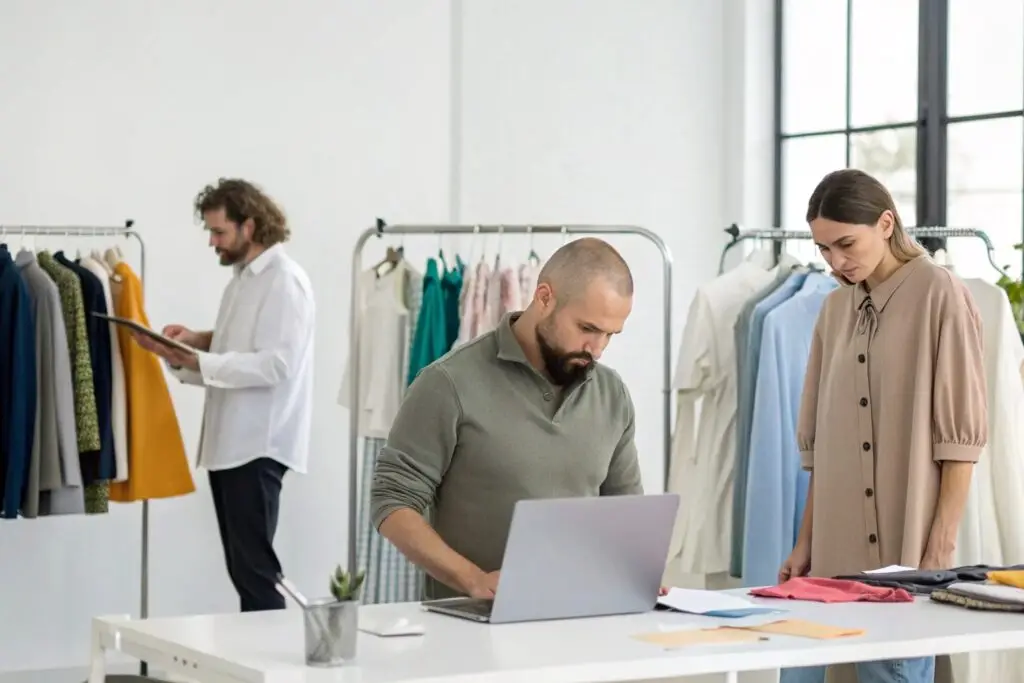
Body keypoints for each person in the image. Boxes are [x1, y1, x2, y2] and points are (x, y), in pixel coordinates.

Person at [780, 169, 986, 683]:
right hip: (837, 548)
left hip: (906, 549)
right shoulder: (833, 311)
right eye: (824, 250)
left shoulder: (941, 295)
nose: (835, 262)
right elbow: (825, 450)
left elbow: (958, 442)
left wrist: (938, 552)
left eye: (845, 244)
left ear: (886, 223)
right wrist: (805, 544)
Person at [370, 237, 643, 600]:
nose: (598, 349)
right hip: (471, 629)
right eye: (588, 329)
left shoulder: (612, 394)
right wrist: (472, 579)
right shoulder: (448, 383)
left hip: (582, 621)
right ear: (544, 298)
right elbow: (392, 502)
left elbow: (626, 514)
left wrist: (640, 574)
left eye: (610, 334)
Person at [132, 178, 315, 612]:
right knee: (245, 571)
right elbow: (241, 347)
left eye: (219, 232)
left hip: (257, 444)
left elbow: (277, 364)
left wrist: (199, 359)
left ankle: (274, 672)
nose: (213, 242)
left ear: (249, 226)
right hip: (231, 444)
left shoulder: (284, 281)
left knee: (255, 573)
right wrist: (190, 345)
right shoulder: (242, 281)